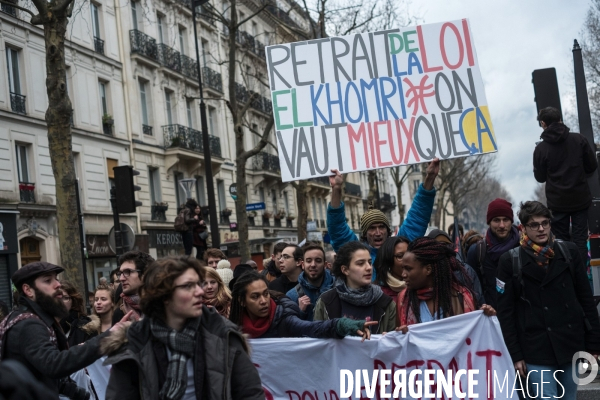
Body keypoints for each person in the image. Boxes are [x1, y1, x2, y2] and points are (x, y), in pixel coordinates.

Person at [103, 256, 265, 400]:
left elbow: (250, 392)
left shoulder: (222, 333)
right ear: (163, 296)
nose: (200, 291)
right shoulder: (135, 342)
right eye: (188, 286)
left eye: (198, 284)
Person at [496, 201, 600, 400]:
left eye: (545, 223)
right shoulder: (510, 261)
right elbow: (506, 313)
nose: (541, 228)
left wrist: (594, 344)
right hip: (535, 348)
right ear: (524, 228)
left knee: (569, 397)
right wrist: (516, 355)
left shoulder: (568, 252)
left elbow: (586, 299)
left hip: (569, 343)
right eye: (534, 225)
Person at [0, 262, 128, 398]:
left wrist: (80, 394)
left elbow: (45, 377)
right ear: (28, 290)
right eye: (48, 281)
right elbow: (54, 364)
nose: (57, 285)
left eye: (56, 278)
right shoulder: (28, 324)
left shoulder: (32, 319)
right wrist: (108, 337)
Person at [327, 160, 440, 280]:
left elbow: (418, 217)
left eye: (381, 227)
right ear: (365, 233)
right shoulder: (354, 252)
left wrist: (430, 177)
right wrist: (337, 188)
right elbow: (337, 228)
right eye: (372, 228)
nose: (378, 232)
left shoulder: (400, 246)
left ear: (388, 230)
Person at [533, 106, 598, 266]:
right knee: (580, 239)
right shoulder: (579, 140)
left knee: (560, 242)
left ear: (543, 123)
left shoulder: (541, 149)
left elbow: (540, 177)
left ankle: (566, 275)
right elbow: (592, 166)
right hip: (580, 199)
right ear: (560, 119)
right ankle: (581, 274)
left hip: (557, 202)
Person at [229, 271, 376, 340]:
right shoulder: (232, 329)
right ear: (242, 301)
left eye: (265, 294)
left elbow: (313, 327)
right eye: (255, 296)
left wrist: (344, 325)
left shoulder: (284, 319)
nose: (263, 301)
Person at [397, 237, 495, 326]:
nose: (403, 274)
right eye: (403, 268)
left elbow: (475, 337)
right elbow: (397, 339)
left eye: (408, 269)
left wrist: (488, 318)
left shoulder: (462, 298)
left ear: (428, 269)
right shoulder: (403, 300)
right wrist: (399, 335)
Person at [314, 242, 397, 334]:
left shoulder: (386, 304)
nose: (369, 267)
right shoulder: (326, 302)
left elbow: (394, 344)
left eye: (370, 262)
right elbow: (317, 337)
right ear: (345, 270)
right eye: (360, 263)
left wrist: (394, 337)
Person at [466, 198, 520, 309]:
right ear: (489, 222)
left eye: (505, 219)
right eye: (496, 220)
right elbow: (469, 289)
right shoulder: (477, 251)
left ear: (511, 221)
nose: (501, 225)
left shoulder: (523, 248)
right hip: (489, 319)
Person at [426, 229, 484, 306]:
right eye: (436, 246)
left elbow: (479, 300)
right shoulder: (424, 273)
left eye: (445, 245)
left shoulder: (466, 271)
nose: (442, 249)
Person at [286, 243, 334, 320]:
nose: (313, 265)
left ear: (325, 265)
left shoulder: (338, 289)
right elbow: (288, 326)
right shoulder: (292, 296)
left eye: (318, 261)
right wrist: (301, 312)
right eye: (308, 261)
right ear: (303, 265)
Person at [113, 250, 155, 324]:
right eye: (120, 273)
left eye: (127, 272)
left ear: (145, 274)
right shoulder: (119, 313)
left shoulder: (164, 306)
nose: (121, 278)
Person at [59, 281, 97, 347]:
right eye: (58, 298)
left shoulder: (86, 326)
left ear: (73, 301)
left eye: (65, 298)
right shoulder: (47, 325)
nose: (61, 302)